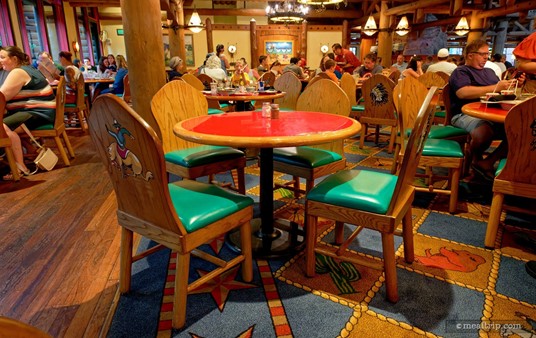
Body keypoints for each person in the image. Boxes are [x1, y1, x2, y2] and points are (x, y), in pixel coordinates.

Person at [449, 39, 518, 181]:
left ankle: (487, 162)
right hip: (464, 114)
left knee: (519, 131)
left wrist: (512, 85)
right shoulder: (461, 71)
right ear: (470, 55)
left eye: (488, 54)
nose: (486, 57)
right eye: (482, 54)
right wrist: (496, 87)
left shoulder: (490, 72)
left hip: (492, 114)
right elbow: (463, 93)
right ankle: (474, 156)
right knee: (483, 132)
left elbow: (498, 94)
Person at [0, 46, 56, 180]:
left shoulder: (17, 72)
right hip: (43, 111)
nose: (0, 61)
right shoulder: (28, 68)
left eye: (2, 57)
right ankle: (30, 150)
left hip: (38, 112)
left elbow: (2, 96)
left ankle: (20, 167)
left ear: (14, 58)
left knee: (3, 127)